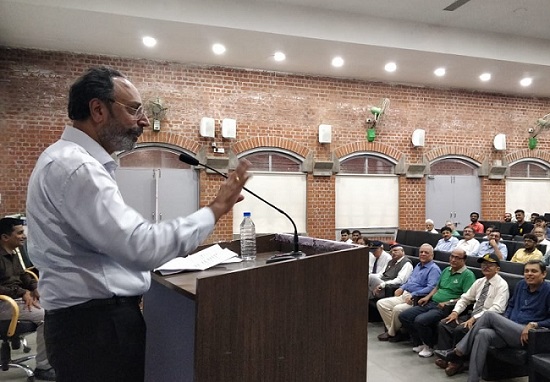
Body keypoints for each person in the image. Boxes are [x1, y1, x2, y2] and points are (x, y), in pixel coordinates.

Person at [25, 67, 251, 382]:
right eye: (134, 110)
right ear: (98, 109)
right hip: (96, 330)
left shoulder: (67, 160)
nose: (143, 121)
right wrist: (215, 209)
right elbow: (140, 246)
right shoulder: (77, 167)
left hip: (88, 325)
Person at [435, 260, 550, 381]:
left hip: (529, 335)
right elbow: (511, 306)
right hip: (510, 329)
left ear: (543, 274)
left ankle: (458, 351)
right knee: (482, 334)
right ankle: (473, 379)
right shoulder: (521, 285)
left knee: (489, 315)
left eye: (534, 271)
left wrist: (535, 324)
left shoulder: (548, 290)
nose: (529, 274)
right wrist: (505, 320)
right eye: (526, 271)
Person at [0, 218, 55, 381]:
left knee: (56, 307)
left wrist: (34, 287)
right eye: (19, 233)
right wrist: (21, 291)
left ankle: (53, 359)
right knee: (47, 316)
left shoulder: (12, 253)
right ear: (5, 237)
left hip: (15, 300)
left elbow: (23, 275)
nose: (24, 236)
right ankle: (43, 367)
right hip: (4, 302)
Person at [434, 253, 509, 371]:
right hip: (472, 315)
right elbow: (465, 298)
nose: (486, 267)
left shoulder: (502, 285)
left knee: (461, 329)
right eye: (484, 264)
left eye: (490, 265)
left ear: (497, 268)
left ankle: (456, 363)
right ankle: (445, 358)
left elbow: (497, 308)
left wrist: (475, 318)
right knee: (445, 323)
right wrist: (455, 312)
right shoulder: (480, 282)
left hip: (487, 320)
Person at [399, 248, 475, 358]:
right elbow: (437, 287)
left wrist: (448, 302)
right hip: (432, 302)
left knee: (420, 320)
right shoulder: (446, 270)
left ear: (464, 260)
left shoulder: (468, 275)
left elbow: (467, 297)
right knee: (404, 316)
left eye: (457, 258)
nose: (453, 259)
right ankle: (420, 342)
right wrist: (427, 296)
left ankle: (429, 346)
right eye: (452, 256)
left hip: (446, 308)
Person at [376, 243, 441, 342]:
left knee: (397, 309)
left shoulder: (434, 269)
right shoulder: (418, 265)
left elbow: (431, 287)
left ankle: (391, 333)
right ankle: (397, 332)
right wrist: (402, 288)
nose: (423, 254)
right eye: (421, 252)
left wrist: (414, 295)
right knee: (381, 303)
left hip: (416, 298)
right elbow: (410, 280)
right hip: (405, 294)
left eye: (426, 252)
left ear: (432, 255)